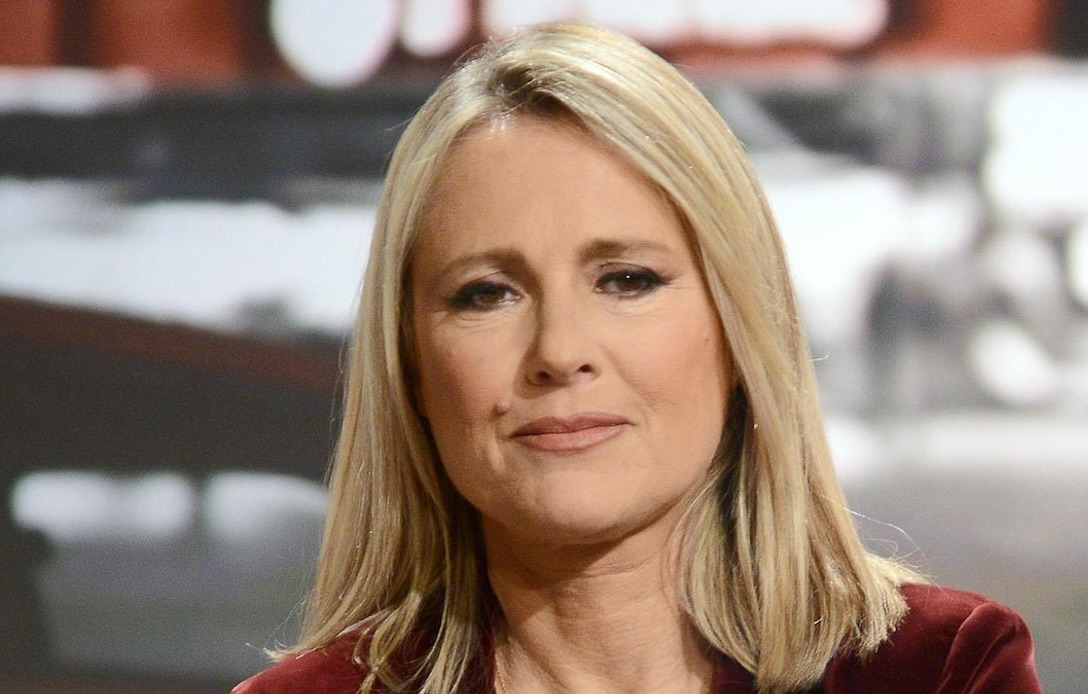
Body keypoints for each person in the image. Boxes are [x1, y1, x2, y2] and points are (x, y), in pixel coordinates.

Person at [233, 22, 1041, 694]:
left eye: (626, 280)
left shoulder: (938, 671)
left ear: (736, 327)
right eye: (486, 293)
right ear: (410, 363)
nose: (559, 353)